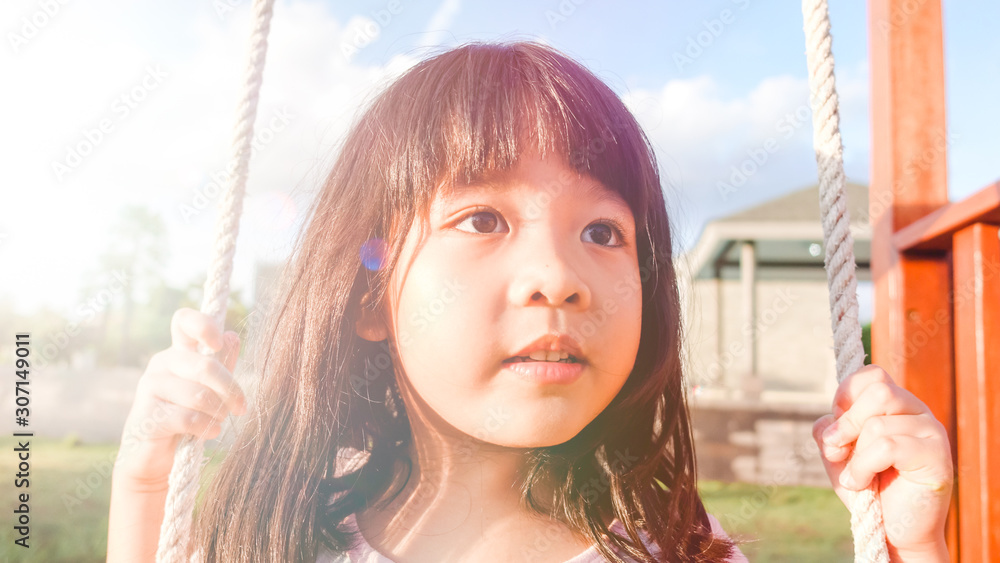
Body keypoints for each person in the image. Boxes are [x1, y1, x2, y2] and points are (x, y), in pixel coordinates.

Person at [107, 41, 954, 562]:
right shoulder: (280, 537)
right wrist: (146, 480)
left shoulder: (677, 551)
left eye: (603, 232)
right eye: (482, 218)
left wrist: (915, 544)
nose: (558, 274)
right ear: (369, 296)